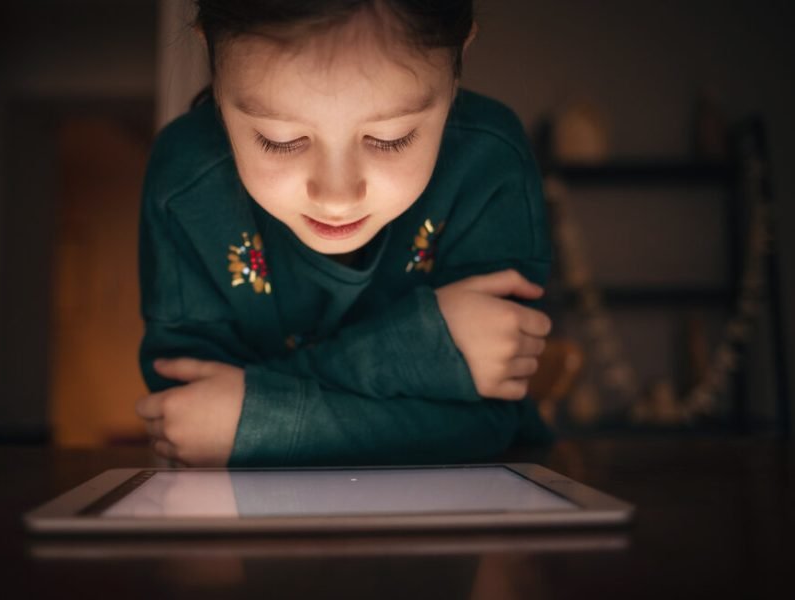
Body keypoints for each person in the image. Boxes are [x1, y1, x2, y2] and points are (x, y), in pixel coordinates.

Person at [135, 0, 555, 467]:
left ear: (459, 60)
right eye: (280, 140)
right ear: (212, 60)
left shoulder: (488, 165)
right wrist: (421, 347)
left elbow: (491, 423)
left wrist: (260, 419)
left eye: (390, 138)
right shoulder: (187, 184)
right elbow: (189, 420)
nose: (336, 198)